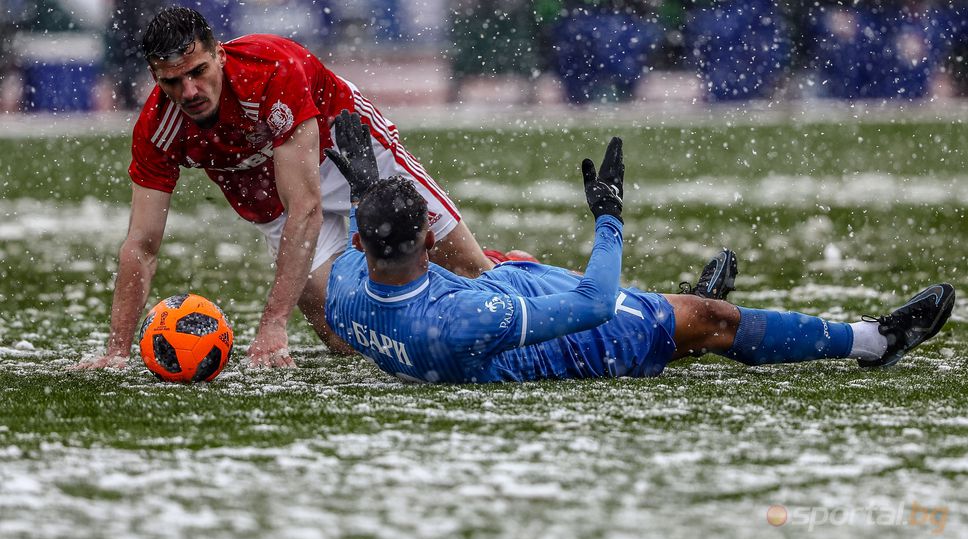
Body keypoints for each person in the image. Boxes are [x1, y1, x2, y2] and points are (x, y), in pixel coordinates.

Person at [323, 111, 956, 383]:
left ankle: (675, 315)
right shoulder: (463, 321)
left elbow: (370, 234)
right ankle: (877, 340)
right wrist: (608, 217)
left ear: (360, 240)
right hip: (556, 344)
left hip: (489, 297)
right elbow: (595, 304)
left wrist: (362, 187)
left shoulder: (348, 290)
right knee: (713, 322)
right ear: (429, 240)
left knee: (517, 263)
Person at [73, 6, 502, 370]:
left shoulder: (272, 71)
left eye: (198, 72)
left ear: (219, 55)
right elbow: (142, 244)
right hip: (274, 202)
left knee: (470, 269)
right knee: (346, 336)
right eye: (172, 81)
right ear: (154, 76)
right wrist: (116, 351)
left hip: (350, 153)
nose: (189, 91)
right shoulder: (156, 129)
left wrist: (273, 324)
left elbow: (308, 207)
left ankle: (511, 272)